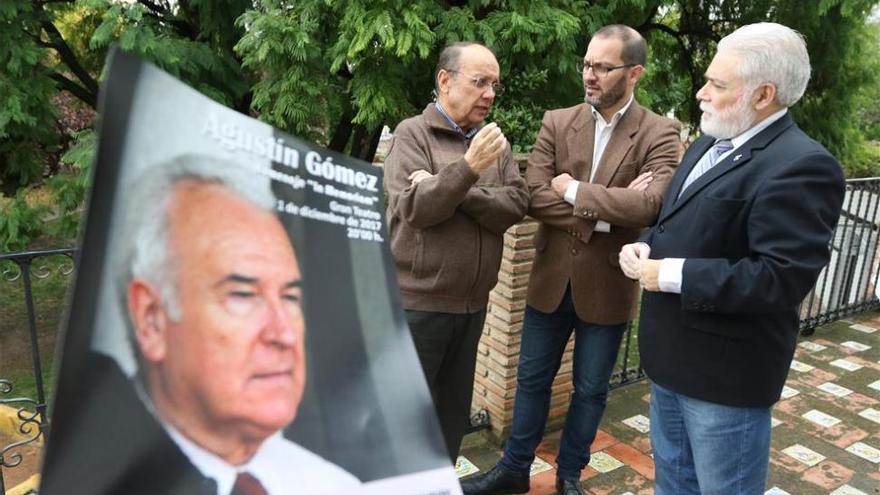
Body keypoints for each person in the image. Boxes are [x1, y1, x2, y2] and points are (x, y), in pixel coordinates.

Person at [619, 23, 845, 495]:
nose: (701, 93)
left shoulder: (802, 164)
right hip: (671, 362)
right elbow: (683, 221)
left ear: (764, 94)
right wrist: (647, 244)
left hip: (724, 381)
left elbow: (779, 278)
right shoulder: (708, 141)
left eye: (717, 85)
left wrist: (669, 273)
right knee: (674, 486)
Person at [47, 155, 360, 495]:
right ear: (151, 318)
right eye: (242, 295)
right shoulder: (103, 479)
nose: (283, 334)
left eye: (290, 297)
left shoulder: (331, 484)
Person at [462, 25, 680, 495]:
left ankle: (568, 476)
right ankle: (514, 469)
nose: (590, 75)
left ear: (634, 72)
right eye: (587, 64)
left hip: (607, 287)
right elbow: (535, 197)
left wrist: (576, 190)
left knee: (591, 391)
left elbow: (650, 206)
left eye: (603, 67)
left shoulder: (660, 132)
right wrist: (606, 212)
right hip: (549, 281)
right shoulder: (558, 122)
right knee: (531, 380)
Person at [383, 42, 529, 463]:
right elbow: (416, 209)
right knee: (405, 424)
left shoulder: (492, 144)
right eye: (479, 82)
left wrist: (454, 188)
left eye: (494, 86)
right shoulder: (412, 134)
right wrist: (468, 169)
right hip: (419, 309)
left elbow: (515, 206)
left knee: (449, 424)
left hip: (471, 309)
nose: (489, 94)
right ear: (445, 81)